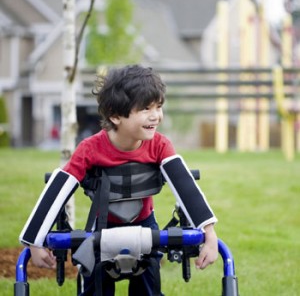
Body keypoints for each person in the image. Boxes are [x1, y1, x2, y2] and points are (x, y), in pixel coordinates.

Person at [19, 65, 218, 296]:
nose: (156, 115)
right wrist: (35, 241)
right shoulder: (89, 149)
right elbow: (59, 188)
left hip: (145, 226)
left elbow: (186, 188)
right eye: (145, 108)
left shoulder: (160, 145)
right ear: (115, 115)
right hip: (101, 230)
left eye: (159, 107)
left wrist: (209, 234)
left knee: (149, 290)